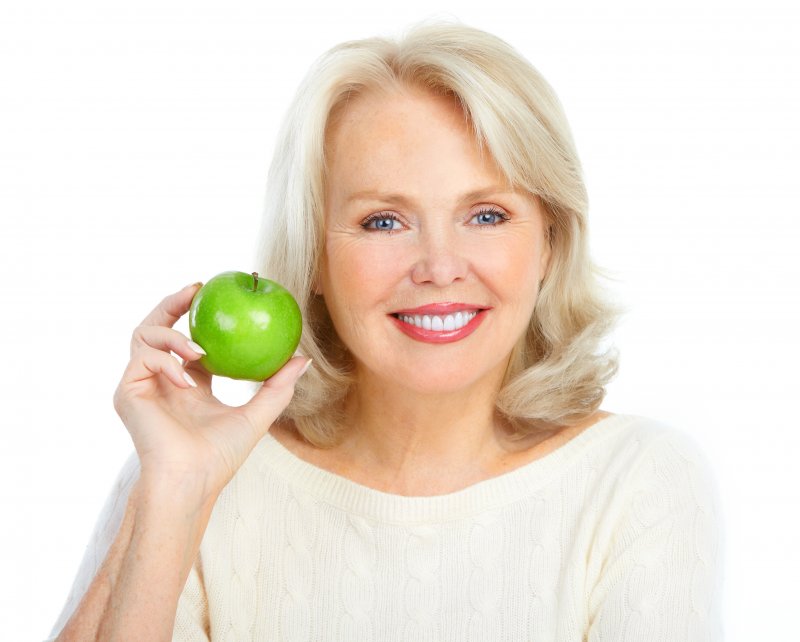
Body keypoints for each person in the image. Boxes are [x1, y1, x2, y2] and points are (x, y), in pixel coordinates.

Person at [48, 20, 723, 641]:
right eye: (383, 221)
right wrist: (171, 497)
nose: (438, 267)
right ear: (313, 256)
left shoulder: (638, 483)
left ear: (548, 243)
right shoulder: (190, 473)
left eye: (486, 215)